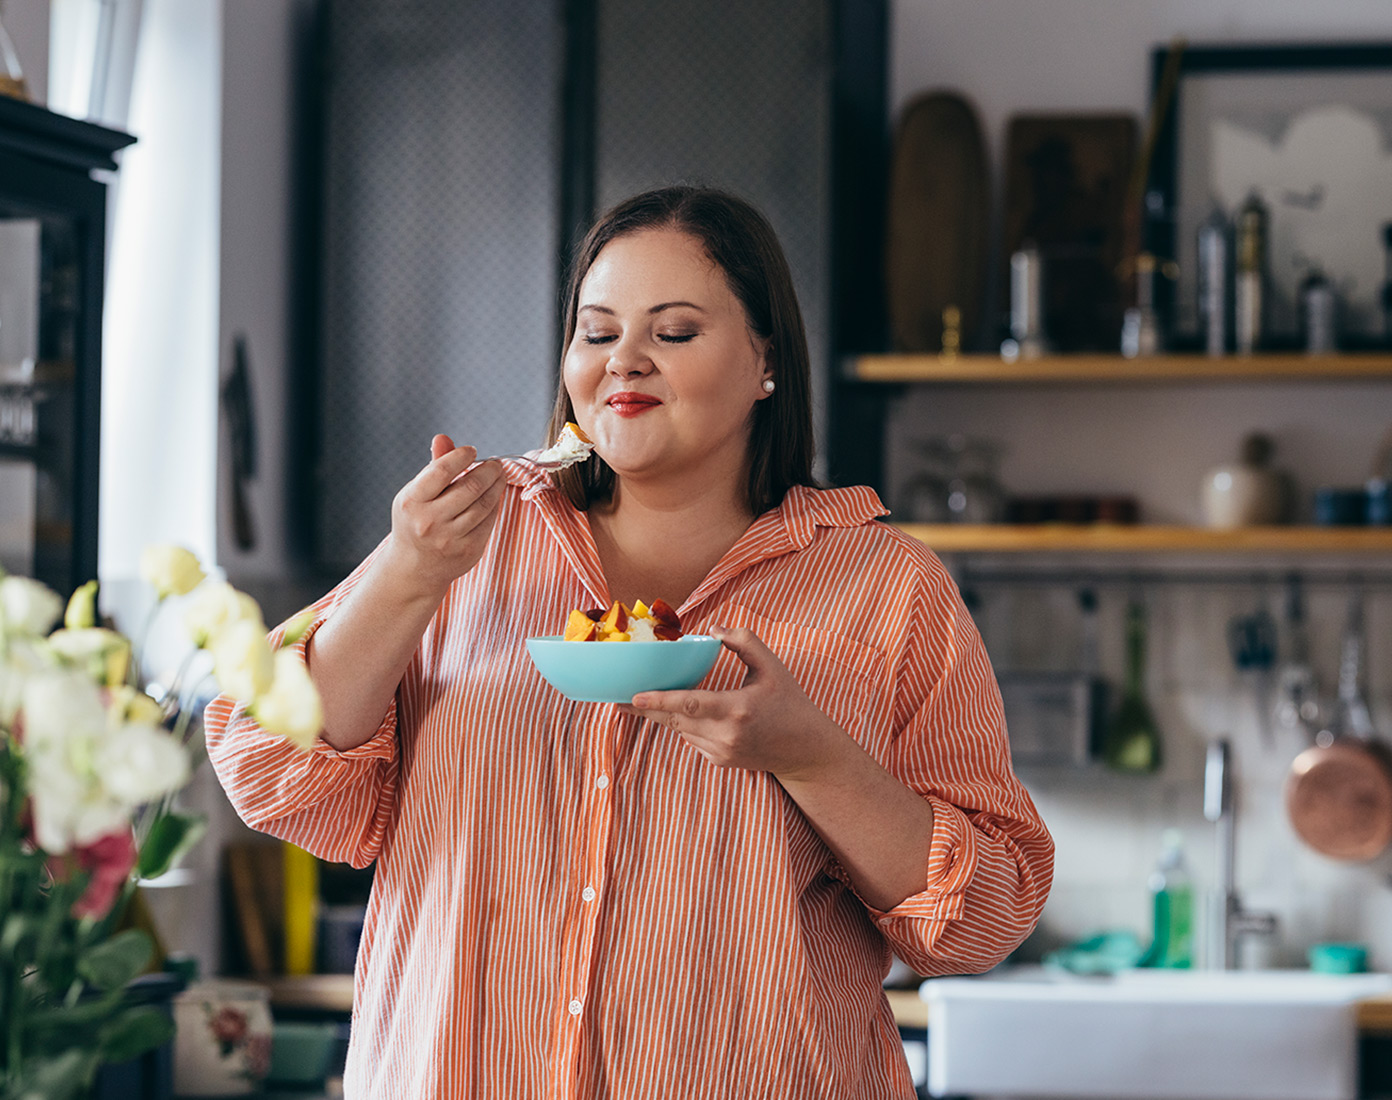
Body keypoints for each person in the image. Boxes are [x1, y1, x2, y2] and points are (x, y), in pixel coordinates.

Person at [205, 185, 1053, 1098]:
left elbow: (983, 916)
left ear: (766, 358)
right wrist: (408, 573)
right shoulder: (467, 547)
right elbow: (271, 771)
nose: (625, 364)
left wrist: (811, 757)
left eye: (675, 332)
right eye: (598, 333)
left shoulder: (886, 590)